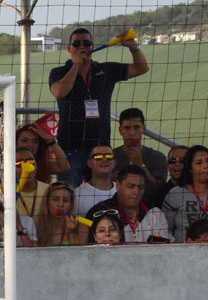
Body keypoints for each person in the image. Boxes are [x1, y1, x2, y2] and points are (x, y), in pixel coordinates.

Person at [48, 27, 149, 184]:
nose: (82, 47)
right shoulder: (59, 72)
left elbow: (141, 68)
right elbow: (59, 92)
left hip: (101, 147)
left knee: (100, 189)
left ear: (92, 47)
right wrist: (76, 66)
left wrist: (133, 48)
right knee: (69, 192)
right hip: (69, 146)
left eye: (87, 43)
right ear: (69, 49)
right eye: (77, 44)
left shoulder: (106, 70)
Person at [161, 144, 208, 241]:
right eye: (199, 163)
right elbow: (166, 228)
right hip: (186, 247)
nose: (205, 166)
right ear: (190, 169)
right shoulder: (176, 193)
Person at [86, 166, 170, 244]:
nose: (136, 192)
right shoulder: (99, 211)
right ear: (118, 185)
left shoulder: (155, 213)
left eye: (140, 187)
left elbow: (166, 247)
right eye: (131, 186)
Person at [112, 108, 167, 190]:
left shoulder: (157, 157)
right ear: (120, 130)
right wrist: (107, 179)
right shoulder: (110, 158)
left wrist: (141, 165)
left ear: (143, 129)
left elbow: (159, 190)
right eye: (127, 128)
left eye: (136, 127)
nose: (132, 133)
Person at [31, 182, 82, 247]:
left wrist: (72, 233)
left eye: (65, 200)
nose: (60, 204)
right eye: (55, 199)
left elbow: (78, 253)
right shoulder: (35, 226)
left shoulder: (81, 228)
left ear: (71, 205)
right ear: (46, 202)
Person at [73, 144, 118, 216]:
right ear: (89, 163)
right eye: (98, 156)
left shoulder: (123, 191)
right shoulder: (76, 195)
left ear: (114, 162)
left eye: (109, 156)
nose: (104, 159)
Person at [148, 144, 188, 209]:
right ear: (167, 164)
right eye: (172, 161)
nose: (177, 164)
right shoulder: (158, 195)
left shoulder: (200, 190)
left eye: (182, 161)